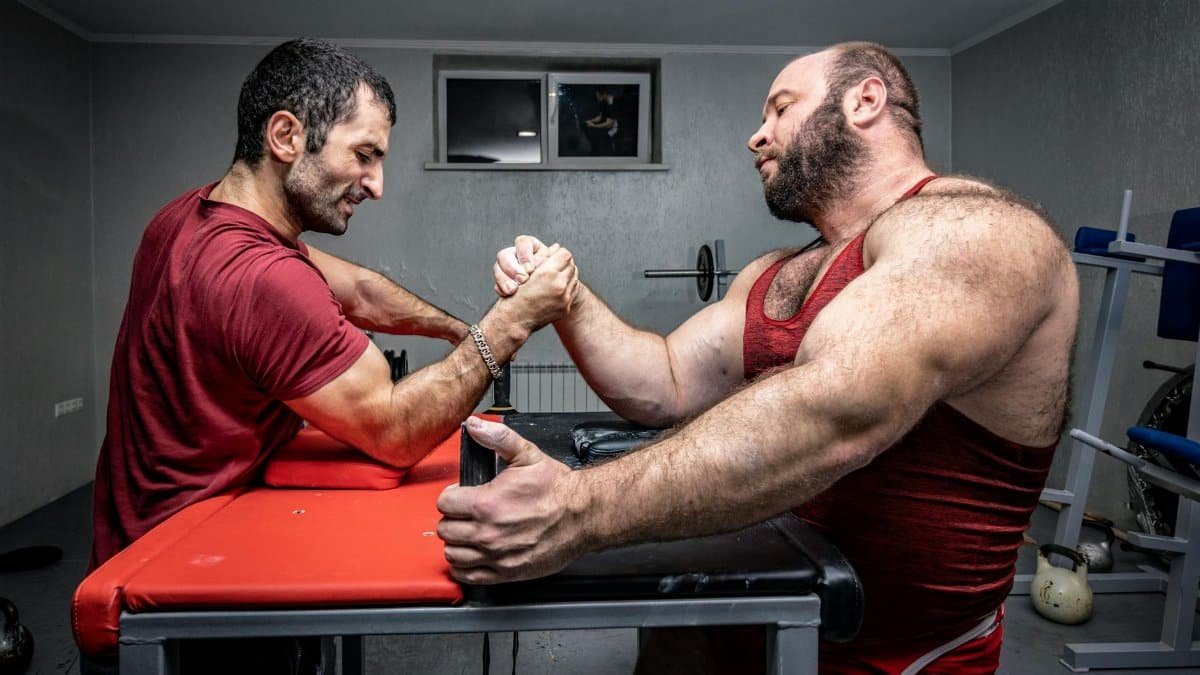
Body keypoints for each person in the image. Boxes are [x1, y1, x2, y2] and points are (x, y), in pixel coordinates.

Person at [439, 41, 1079, 673]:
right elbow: (664, 382)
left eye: (781, 108)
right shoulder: (780, 272)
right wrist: (568, 296)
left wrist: (576, 509)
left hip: (888, 656)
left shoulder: (974, 231)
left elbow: (835, 409)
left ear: (864, 101)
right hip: (752, 599)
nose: (757, 136)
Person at [86, 38, 577, 674]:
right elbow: (395, 428)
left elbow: (360, 292)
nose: (376, 185)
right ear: (286, 136)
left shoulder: (190, 218)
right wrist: (512, 322)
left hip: (139, 533)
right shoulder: (261, 278)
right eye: (364, 156)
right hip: (194, 585)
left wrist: (456, 330)